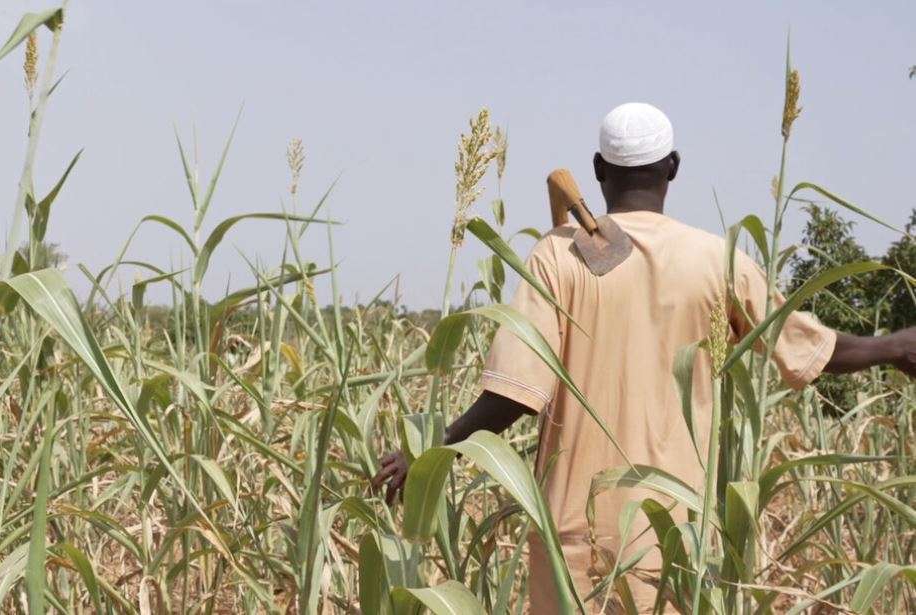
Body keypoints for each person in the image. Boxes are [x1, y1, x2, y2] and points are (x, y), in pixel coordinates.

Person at [373, 102, 915, 613]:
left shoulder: (557, 257)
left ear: (598, 169)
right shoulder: (717, 260)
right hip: (675, 534)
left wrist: (432, 448)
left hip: (574, 541)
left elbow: (513, 393)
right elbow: (808, 347)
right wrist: (893, 346)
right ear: (673, 167)